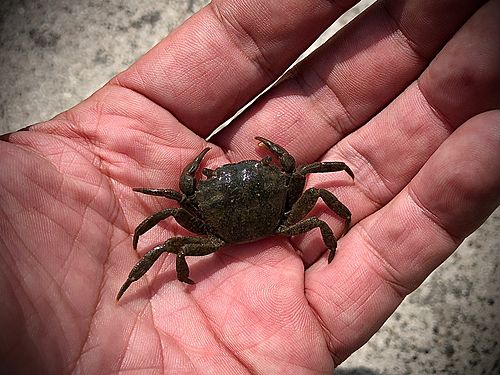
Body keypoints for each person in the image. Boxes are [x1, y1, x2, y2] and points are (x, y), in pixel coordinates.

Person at [0, 0, 498, 373]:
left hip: (221, 236)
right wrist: (331, 230)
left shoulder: (199, 220)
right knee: (316, 188)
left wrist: (188, 220)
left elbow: (170, 211)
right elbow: (317, 188)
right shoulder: (284, 191)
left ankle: (131, 287)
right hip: (277, 224)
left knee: (173, 235)